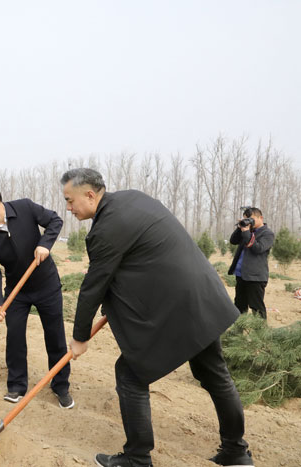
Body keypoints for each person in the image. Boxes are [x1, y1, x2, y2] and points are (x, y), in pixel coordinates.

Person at [62, 168, 253, 467]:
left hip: (174, 305)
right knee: (215, 373)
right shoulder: (132, 199)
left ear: (89, 194)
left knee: (130, 373)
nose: (69, 208)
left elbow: (94, 285)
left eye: (70, 200)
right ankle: (236, 452)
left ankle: (137, 458)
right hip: (200, 296)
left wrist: (79, 337)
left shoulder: (107, 226)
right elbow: (141, 261)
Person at [0, 183, 73, 408]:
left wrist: (45, 244)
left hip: (46, 285)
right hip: (17, 291)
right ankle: (16, 385)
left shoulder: (24, 208)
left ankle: (61, 386)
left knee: (55, 336)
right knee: (14, 337)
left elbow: (55, 220)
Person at [228, 207, 274, 320]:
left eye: (251, 219)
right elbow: (233, 241)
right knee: (239, 306)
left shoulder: (267, 234)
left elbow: (258, 248)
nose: (249, 221)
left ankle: (260, 335)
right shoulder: (247, 231)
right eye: (246, 219)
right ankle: (237, 335)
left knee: (257, 308)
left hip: (255, 277)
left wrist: (246, 232)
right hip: (241, 275)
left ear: (261, 218)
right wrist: (240, 228)